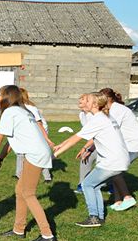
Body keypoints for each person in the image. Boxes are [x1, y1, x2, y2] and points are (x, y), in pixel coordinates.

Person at [0, 85, 56, 241]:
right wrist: (0, 159)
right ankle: (18, 229)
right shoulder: (21, 111)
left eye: (0, 95)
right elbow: (9, 141)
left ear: (7, 97)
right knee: (19, 190)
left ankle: (47, 235)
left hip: (35, 154)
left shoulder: (10, 112)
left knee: (28, 193)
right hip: (36, 153)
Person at [53, 92, 130, 228]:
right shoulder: (105, 117)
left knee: (87, 184)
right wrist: (61, 144)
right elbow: (77, 136)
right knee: (94, 185)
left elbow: (76, 139)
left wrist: (56, 154)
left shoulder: (98, 119)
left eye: (87, 100)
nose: (84, 102)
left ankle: (94, 217)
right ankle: (99, 217)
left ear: (95, 104)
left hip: (112, 161)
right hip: (118, 159)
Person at [99, 87, 138, 211]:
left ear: (107, 99)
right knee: (116, 170)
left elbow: (111, 129)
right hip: (129, 144)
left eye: (100, 98)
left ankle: (127, 198)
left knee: (115, 168)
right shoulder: (113, 109)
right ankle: (118, 201)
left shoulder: (117, 110)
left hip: (134, 144)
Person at [5, 88, 53, 182]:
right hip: (28, 133)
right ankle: (19, 174)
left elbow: (39, 124)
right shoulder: (19, 108)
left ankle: (47, 177)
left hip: (39, 132)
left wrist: (46, 139)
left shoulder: (31, 108)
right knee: (20, 152)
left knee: (39, 154)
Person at [76, 95, 97, 194]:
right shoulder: (81, 114)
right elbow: (85, 132)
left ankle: (112, 186)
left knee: (105, 166)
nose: (80, 100)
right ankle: (82, 184)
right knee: (85, 160)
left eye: (83, 99)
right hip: (93, 142)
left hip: (100, 143)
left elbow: (96, 134)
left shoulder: (93, 115)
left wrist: (86, 148)